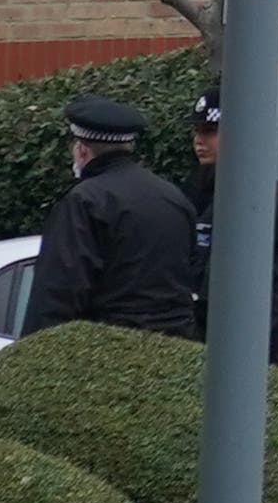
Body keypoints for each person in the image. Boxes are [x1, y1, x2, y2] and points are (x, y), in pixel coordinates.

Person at [32, 93, 203, 337]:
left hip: (108, 351)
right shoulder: (174, 198)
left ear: (81, 150)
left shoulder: (84, 201)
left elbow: (58, 293)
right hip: (175, 350)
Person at [189, 91, 278, 359]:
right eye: (197, 130)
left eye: (210, 131)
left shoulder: (259, 196)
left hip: (242, 355)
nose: (199, 141)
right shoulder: (204, 189)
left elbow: (268, 288)